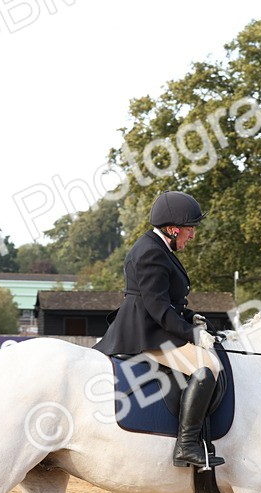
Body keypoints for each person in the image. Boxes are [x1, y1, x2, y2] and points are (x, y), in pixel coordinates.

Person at [93, 190, 223, 471]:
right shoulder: (151, 252)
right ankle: (187, 445)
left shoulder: (159, 247)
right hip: (146, 333)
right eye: (190, 229)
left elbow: (171, 303)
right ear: (173, 228)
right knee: (206, 368)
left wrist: (194, 319)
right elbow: (158, 309)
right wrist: (191, 334)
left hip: (155, 326)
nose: (193, 235)